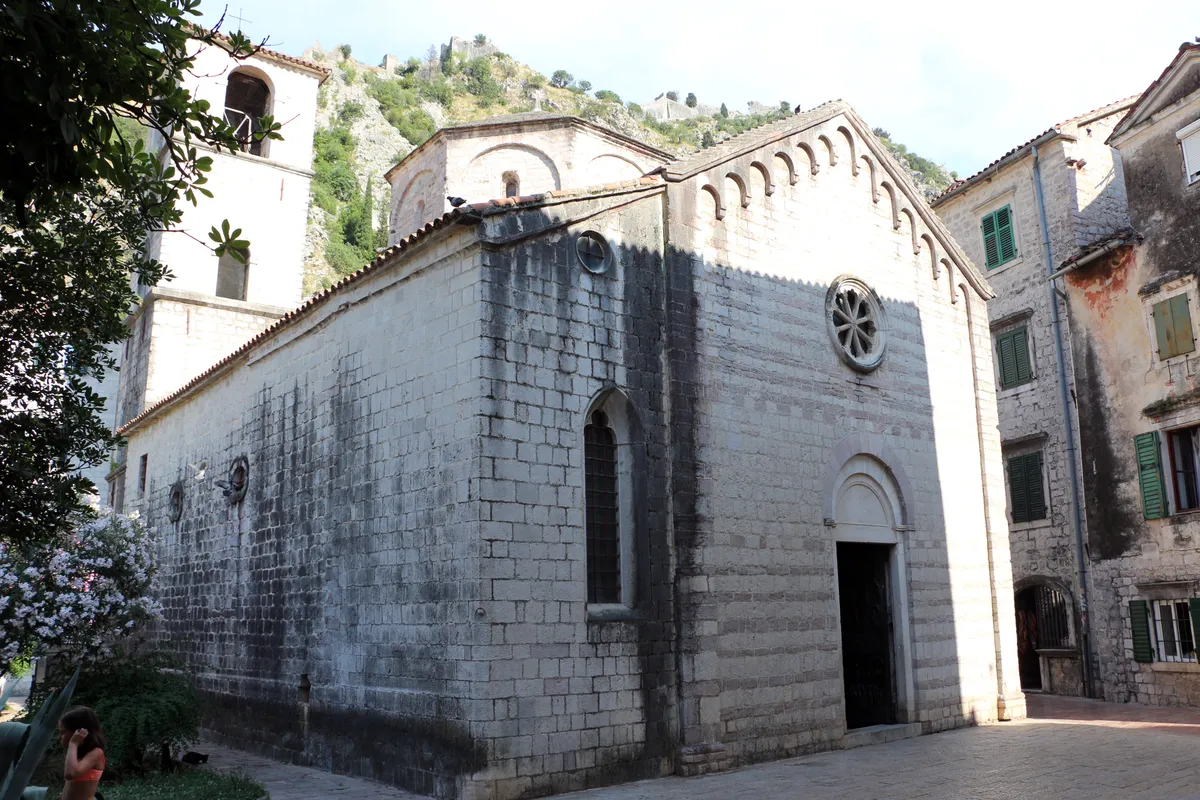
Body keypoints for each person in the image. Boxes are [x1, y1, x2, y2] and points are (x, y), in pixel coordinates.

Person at [59, 706, 106, 800]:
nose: (60, 737)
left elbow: (70, 774)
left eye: (63, 732)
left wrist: (73, 744)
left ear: (79, 732)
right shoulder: (77, 754)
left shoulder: (96, 753)